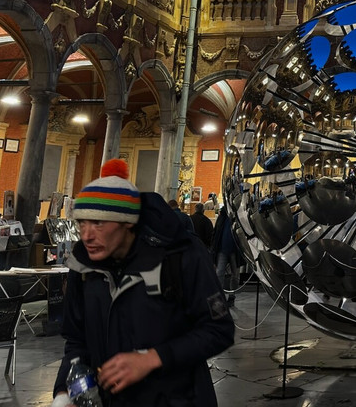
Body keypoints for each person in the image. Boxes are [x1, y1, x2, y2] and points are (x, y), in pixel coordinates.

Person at [51, 159, 234, 407]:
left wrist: (153, 358)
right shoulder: (83, 266)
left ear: (126, 221)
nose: (87, 236)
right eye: (82, 223)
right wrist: (65, 392)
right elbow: (76, 341)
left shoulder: (181, 255)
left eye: (98, 223)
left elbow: (218, 330)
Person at [210, 209, 238, 305]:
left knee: (235, 275)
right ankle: (219, 298)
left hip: (234, 250)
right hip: (222, 249)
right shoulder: (222, 216)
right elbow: (216, 232)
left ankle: (232, 297)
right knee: (219, 273)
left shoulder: (237, 215)